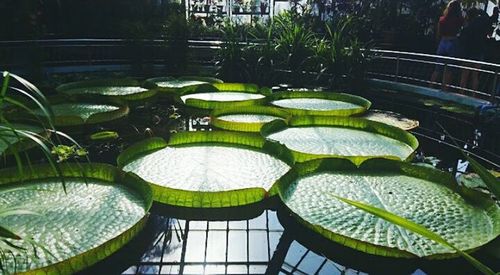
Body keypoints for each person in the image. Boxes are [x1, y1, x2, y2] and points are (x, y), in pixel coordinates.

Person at [430, 0, 464, 91]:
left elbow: (438, 33)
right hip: (453, 41)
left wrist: (439, 41)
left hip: (443, 41)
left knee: (437, 68)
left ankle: (431, 87)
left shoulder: (442, 19)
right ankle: (444, 89)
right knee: (449, 69)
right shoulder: (459, 19)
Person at [459, 8, 492, 92]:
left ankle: (461, 92)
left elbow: (463, 38)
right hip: (479, 50)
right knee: (475, 75)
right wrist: (481, 11)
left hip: (468, 51)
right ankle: (473, 94)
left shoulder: (469, 26)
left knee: (464, 74)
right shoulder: (482, 25)